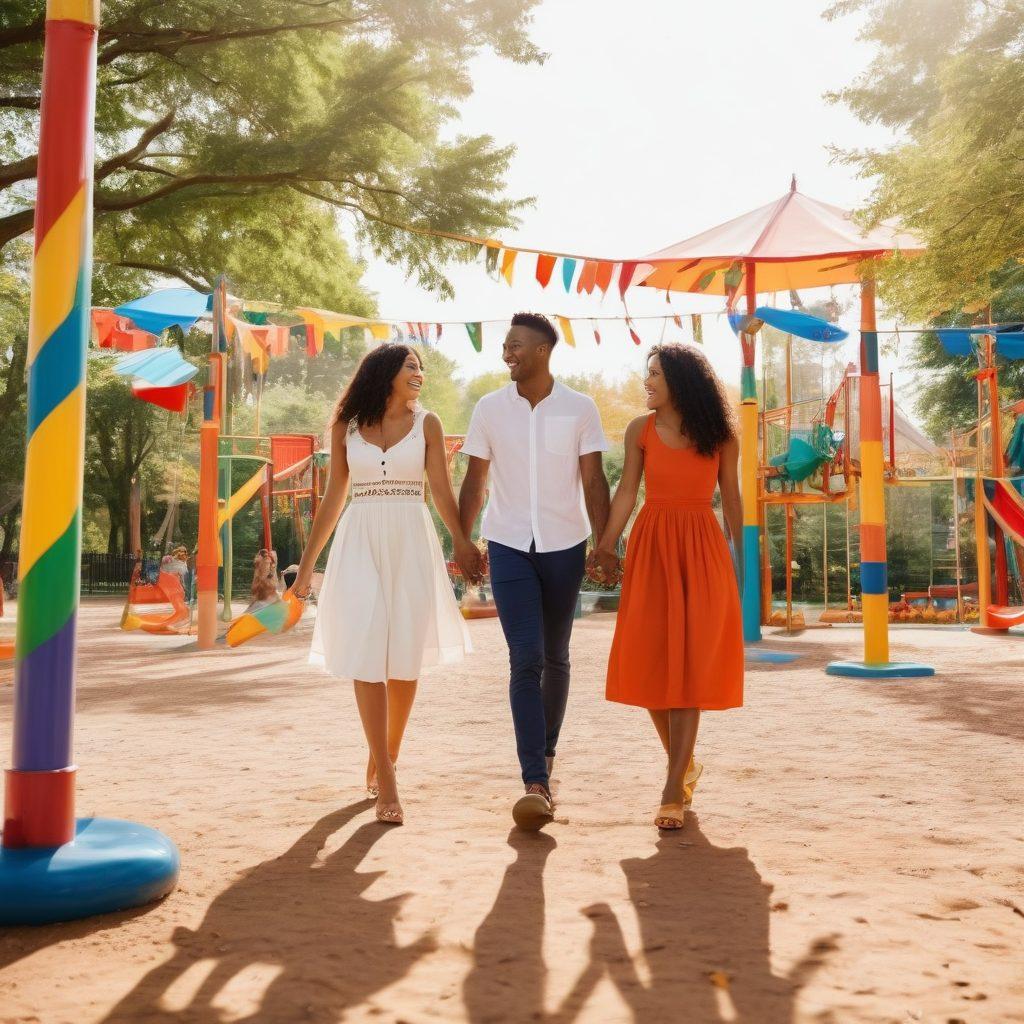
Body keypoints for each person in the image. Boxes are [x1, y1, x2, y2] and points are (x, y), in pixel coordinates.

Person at [292, 344, 480, 826]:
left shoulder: (429, 424)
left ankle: (385, 754)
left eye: (421, 367)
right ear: (386, 372)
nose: (419, 373)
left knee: (403, 658)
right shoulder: (347, 426)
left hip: (411, 540)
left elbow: (439, 490)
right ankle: (390, 778)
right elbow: (335, 494)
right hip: (360, 540)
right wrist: (309, 561)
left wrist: (462, 541)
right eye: (411, 365)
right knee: (366, 650)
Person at [459, 312, 610, 831]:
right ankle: (533, 781)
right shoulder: (488, 409)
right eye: (505, 344)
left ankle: (545, 759)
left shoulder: (580, 408)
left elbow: (593, 481)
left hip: (565, 543)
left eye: (516, 345)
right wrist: (462, 539)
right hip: (507, 544)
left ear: (543, 350)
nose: (507, 352)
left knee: (555, 655)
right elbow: (475, 480)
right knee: (524, 657)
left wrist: (606, 543)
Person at [590, 343, 743, 831]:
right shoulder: (640, 430)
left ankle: (672, 785)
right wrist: (607, 545)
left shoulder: (720, 435)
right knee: (649, 657)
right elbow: (626, 492)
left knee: (690, 663)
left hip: (702, 549)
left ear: (680, 379)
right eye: (647, 374)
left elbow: (733, 500)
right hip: (652, 546)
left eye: (654, 374)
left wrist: (745, 559)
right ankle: (686, 763)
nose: (647, 382)